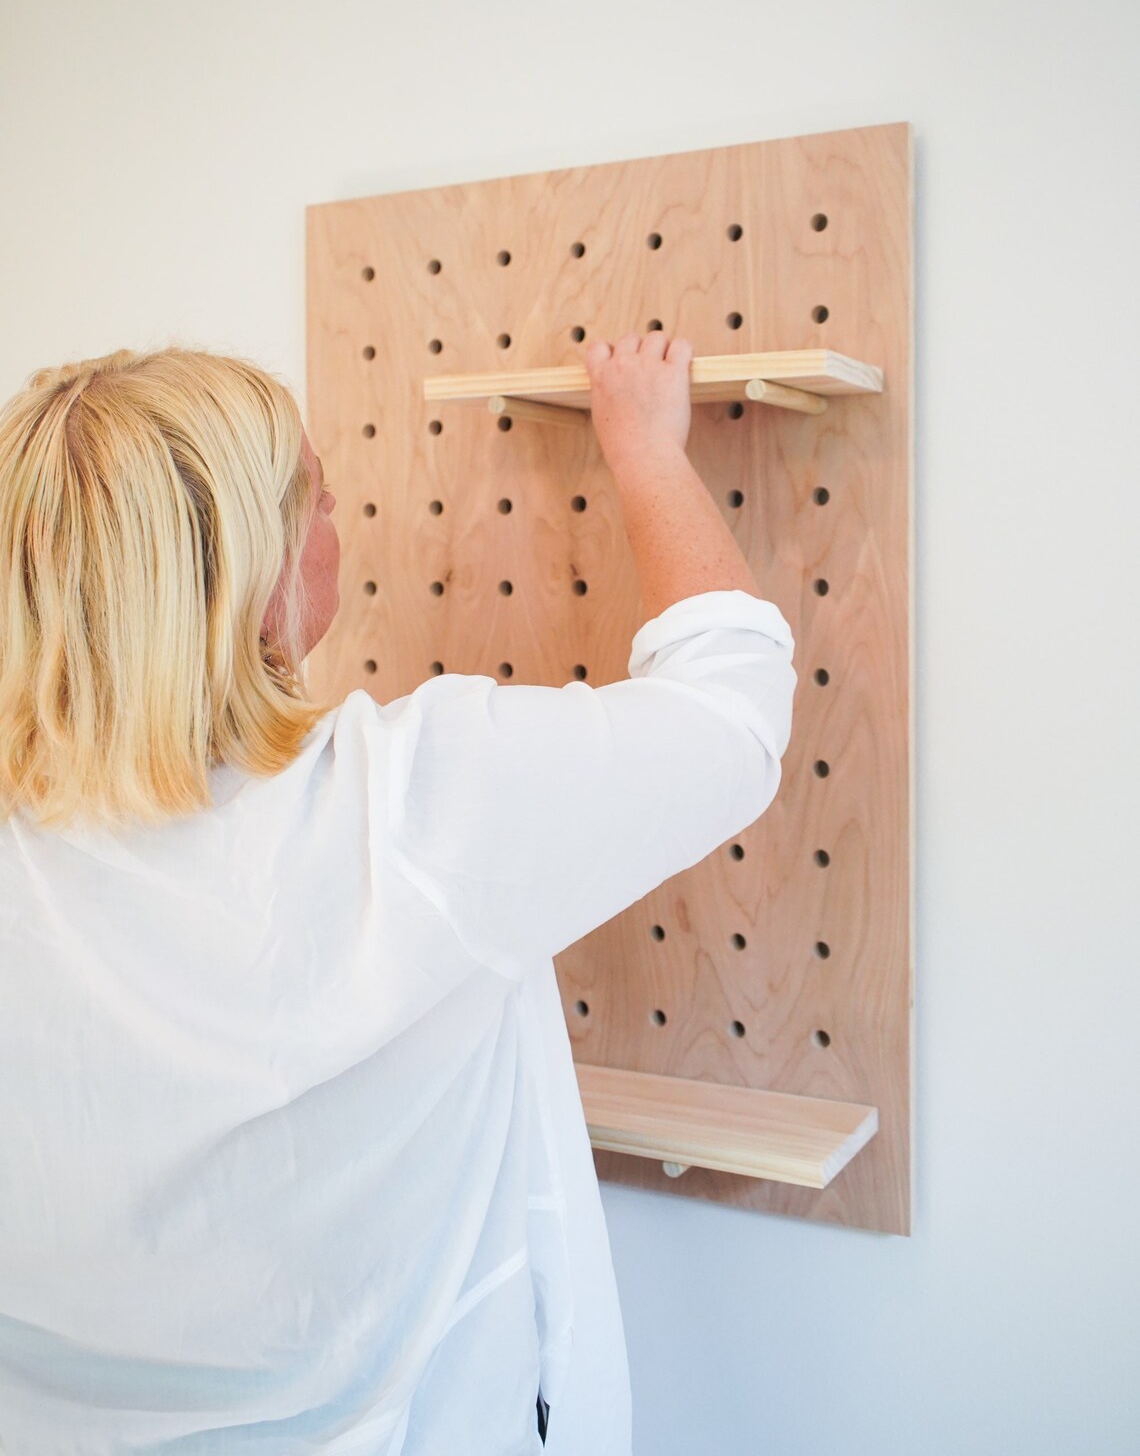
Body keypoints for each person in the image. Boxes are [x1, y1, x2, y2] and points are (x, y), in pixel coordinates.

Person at [0, 331, 797, 1454]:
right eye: (317, 501)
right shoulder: (405, 807)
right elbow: (734, 716)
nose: (341, 528)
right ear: (253, 576)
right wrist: (648, 451)